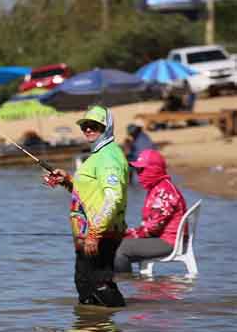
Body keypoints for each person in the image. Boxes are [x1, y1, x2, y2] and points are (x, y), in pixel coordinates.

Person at [43, 105, 128, 307]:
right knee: (84, 285)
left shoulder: (108, 157)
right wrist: (67, 181)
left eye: (94, 126)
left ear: (106, 127)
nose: (88, 129)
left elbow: (113, 197)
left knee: (100, 284)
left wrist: (95, 234)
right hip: (88, 233)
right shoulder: (97, 155)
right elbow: (89, 193)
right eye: (85, 126)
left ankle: (123, 331)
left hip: (101, 234)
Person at [114, 149, 187, 273]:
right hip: (161, 238)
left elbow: (151, 229)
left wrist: (125, 234)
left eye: (142, 170)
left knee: (119, 248)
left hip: (169, 242)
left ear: (154, 170)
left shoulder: (164, 192)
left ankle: (126, 284)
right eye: (137, 170)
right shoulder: (158, 187)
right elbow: (150, 228)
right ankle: (122, 282)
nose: (138, 174)